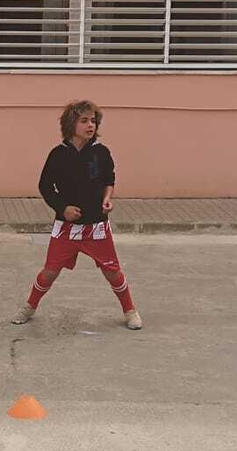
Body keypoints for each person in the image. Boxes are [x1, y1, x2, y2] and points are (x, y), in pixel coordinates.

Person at [11, 100, 142, 331]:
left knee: (112, 272)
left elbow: (109, 180)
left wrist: (107, 198)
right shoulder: (57, 155)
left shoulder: (101, 152)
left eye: (93, 121)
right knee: (49, 272)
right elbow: (45, 187)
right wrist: (63, 209)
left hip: (96, 226)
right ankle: (29, 307)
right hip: (66, 228)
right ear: (71, 124)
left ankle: (130, 311)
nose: (90, 125)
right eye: (84, 121)